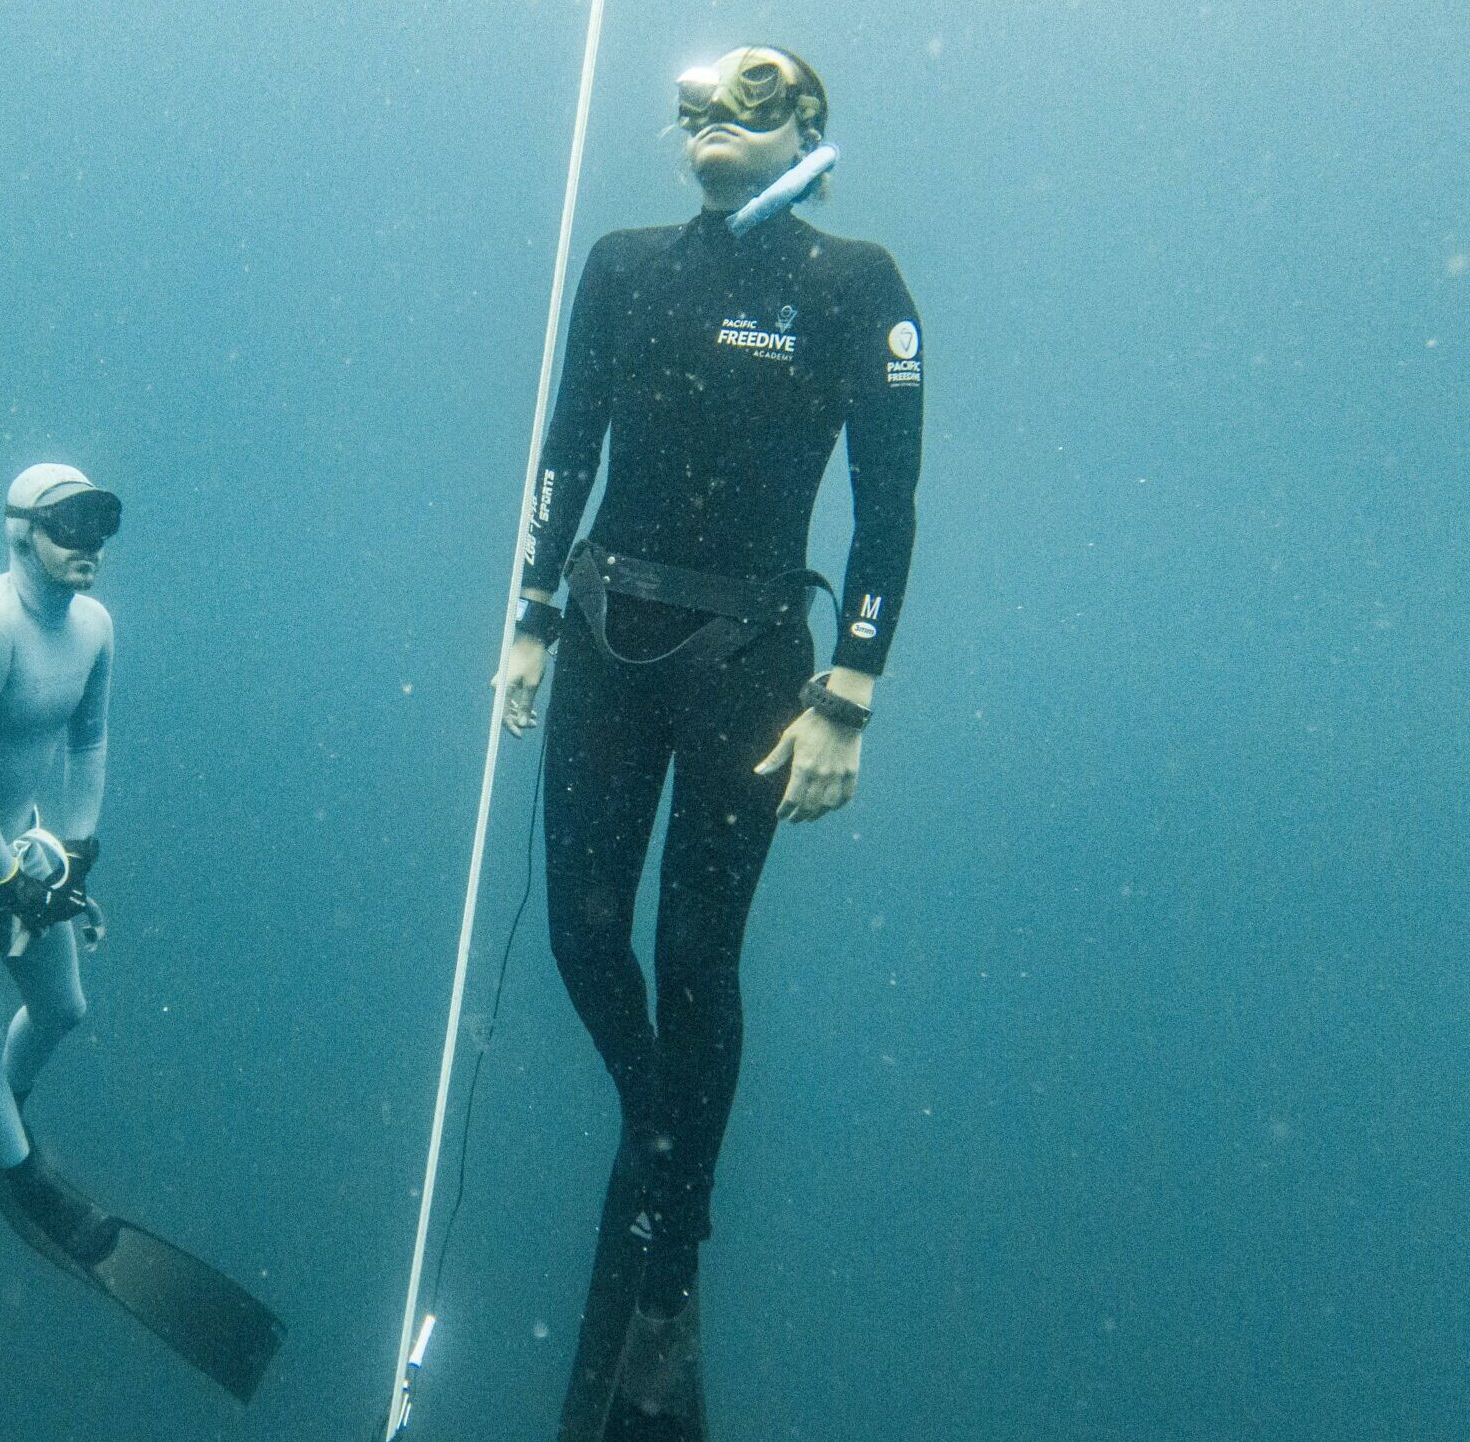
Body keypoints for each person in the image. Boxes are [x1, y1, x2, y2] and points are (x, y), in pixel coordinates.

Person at [495, 46, 924, 1434]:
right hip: (609, 636)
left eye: (737, 106)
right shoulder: (625, 264)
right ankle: (660, 1133)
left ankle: (674, 1249)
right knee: (578, 930)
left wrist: (849, 695)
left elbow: (888, 502)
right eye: (688, 112)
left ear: (806, 122)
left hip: (753, 661)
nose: (701, 131)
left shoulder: (854, 284)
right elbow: (566, 441)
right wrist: (531, 612)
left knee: (693, 954)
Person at [0, 464, 283, 1401]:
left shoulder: (95, 629)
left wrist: (75, 847)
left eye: (104, 525)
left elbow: (89, 740)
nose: (90, 545)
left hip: (24, 861)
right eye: (71, 526)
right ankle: (23, 1180)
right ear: (21, 531)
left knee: (64, 1010)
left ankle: (6, 1121)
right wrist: (5, 876)